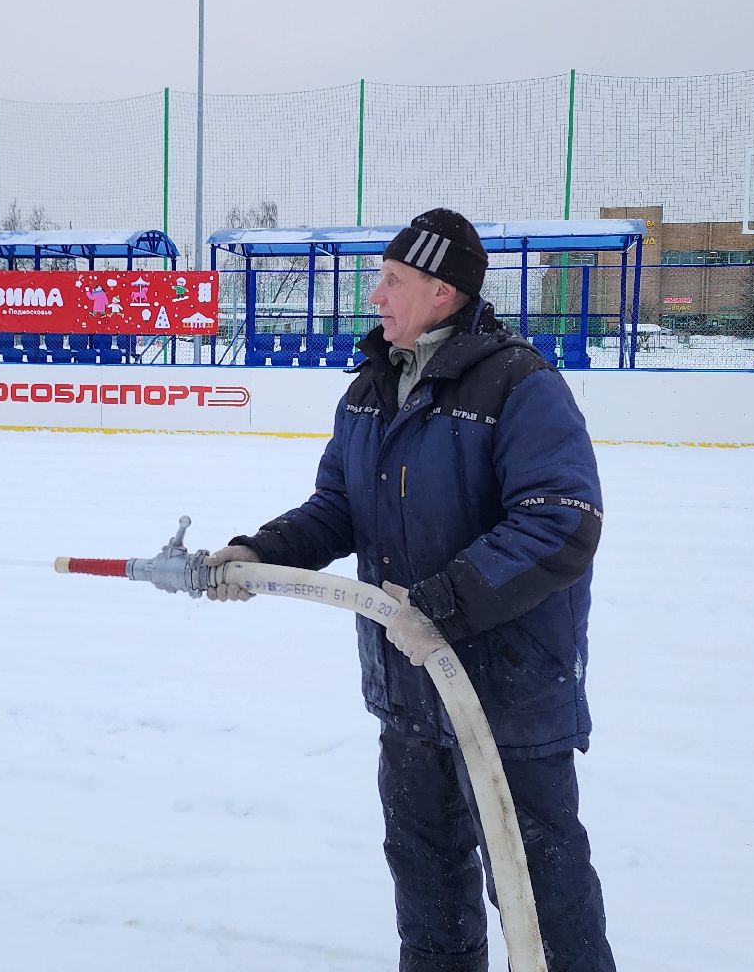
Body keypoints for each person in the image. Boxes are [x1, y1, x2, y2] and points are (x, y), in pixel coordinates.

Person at [206, 208, 615, 972]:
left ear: (442, 292)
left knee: (539, 889)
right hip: (410, 688)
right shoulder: (370, 389)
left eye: (392, 280)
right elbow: (338, 509)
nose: (376, 295)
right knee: (427, 885)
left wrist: (445, 603)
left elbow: (562, 522)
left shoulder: (521, 386)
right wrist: (257, 551)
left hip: (506, 690)